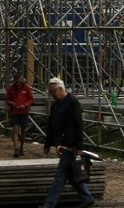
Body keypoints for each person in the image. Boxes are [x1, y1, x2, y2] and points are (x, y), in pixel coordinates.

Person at [41, 78, 95, 208]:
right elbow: (51, 125)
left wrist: (79, 146)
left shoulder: (72, 102)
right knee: (71, 173)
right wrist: (48, 143)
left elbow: (78, 124)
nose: (52, 94)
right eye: (50, 92)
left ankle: (49, 204)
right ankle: (87, 198)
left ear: (61, 89)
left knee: (60, 175)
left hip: (69, 144)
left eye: (53, 91)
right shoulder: (55, 105)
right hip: (60, 143)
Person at [6, 74, 34, 157]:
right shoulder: (11, 89)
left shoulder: (26, 88)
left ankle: (21, 146)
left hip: (24, 112)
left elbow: (31, 99)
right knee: (15, 129)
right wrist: (11, 103)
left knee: (23, 130)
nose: (18, 82)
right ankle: (16, 148)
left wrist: (25, 105)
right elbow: (7, 99)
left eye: (19, 80)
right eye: (16, 80)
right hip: (15, 112)